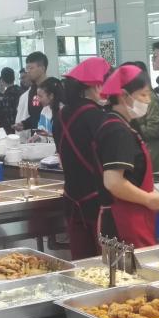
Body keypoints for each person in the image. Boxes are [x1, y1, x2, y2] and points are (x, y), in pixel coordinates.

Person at [96, 65, 159, 247]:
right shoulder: (117, 131)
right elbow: (113, 182)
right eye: (143, 95)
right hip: (123, 221)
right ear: (123, 95)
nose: (148, 100)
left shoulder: (122, 124)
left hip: (133, 215)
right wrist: (147, 199)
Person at [53, 57, 112, 259]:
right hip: (99, 203)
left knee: (82, 264)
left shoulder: (60, 116)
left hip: (72, 199)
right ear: (97, 86)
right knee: (108, 266)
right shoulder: (99, 117)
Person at [121, 61, 159, 173]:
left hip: (151, 153)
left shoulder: (149, 98)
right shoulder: (130, 97)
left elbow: (155, 129)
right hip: (139, 152)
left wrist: (131, 128)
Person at [16, 52, 49, 131]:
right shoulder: (32, 90)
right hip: (36, 135)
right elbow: (35, 115)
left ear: (42, 68)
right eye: (27, 68)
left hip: (51, 135)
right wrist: (24, 124)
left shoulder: (53, 87)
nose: (28, 71)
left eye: (31, 68)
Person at [0, 67, 22, 132]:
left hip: (13, 129)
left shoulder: (6, 96)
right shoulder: (22, 91)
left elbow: (8, 117)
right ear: (14, 78)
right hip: (24, 126)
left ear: (2, 80)